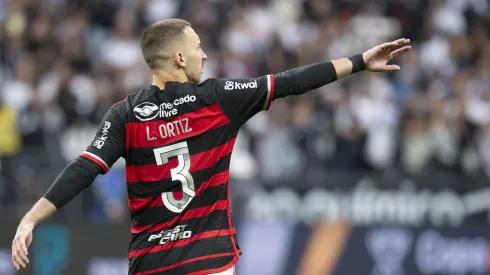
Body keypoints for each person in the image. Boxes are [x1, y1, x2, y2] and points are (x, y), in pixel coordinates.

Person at [11, 19, 411, 275]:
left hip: (151, 265)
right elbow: (291, 81)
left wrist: (31, 219)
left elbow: (84, 168)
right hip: (210, 260)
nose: (204, 53)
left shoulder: (125, 114)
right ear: (180, 56)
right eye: (198, 46)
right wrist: (360, 61)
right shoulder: (217, 99)